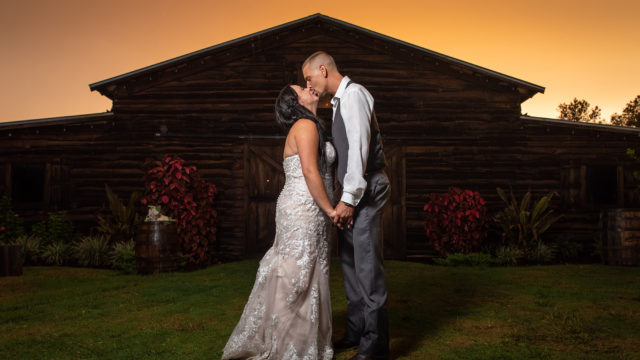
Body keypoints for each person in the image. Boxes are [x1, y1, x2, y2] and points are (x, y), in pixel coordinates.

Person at [221, 84, 337, 360]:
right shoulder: (305, 126)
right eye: (302, 88)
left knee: (310, 272)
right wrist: (331, 210)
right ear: (294, 102)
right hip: (303, 208)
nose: (309, 87)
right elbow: (310, 172)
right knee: (297, 276)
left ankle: (305, 341)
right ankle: (289, 345)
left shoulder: (310, 124)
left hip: (311, 207)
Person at [303, 51, 390, 360]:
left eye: (309, 78)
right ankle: (356, 330)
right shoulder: (340, 101)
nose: (309, 86)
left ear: (323, 70)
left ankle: (375, 347)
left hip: (365, 188)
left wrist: (348, 199)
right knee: (351, 264)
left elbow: (359, 151)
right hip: (353, 192)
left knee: (366, 268)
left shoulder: (354, 95)